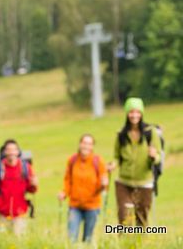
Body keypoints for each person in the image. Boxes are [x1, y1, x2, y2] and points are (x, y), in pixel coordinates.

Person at [107, 97, 161, 227]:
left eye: (137, 112)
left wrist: (154, 156)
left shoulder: (150, 132)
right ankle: (122, 245)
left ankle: (140, 245)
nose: (134, 115)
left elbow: (158, 156)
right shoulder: (121, 134)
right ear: (127, 113)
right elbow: (116, 156)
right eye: (131, 112)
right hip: (124, 183)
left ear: (141, 113)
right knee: (123, 218)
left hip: (145, 183)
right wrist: (113, 164)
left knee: (141, 220)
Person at [58, 134, 108, 243]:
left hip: (92, 206)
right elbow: (68, 180)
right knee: (71, 237)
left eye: (89, 144)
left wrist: (104, 184)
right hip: (75, 205)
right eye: (84, 143)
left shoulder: (98, 161)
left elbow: (103, 184)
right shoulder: (72, 160)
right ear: (80, 144)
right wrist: (64, 193)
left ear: (92, 147)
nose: (86, 146)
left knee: (87, 238)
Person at [0, 139, 37, 236]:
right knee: (3, 242)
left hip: (20, 213)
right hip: (2, 212)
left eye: (14, 150)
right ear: (4, 152)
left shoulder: (26, 167)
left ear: (18, 152)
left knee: (18, 242)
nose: (11, 152)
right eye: (9, 150)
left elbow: (32, 190)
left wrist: (34, 184)